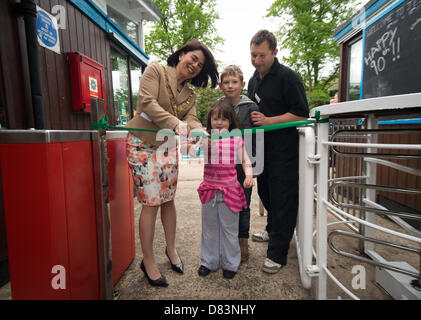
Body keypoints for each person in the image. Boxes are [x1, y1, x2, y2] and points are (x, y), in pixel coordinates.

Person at [126, 40, 218, 287]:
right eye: (193, 58)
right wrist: (176, 124)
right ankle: (148, 261)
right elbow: (147, 102)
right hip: (142, 144)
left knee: (168, 200)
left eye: (200, 65)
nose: (195, 65)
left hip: (167, 148)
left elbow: (192, 119)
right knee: (151, 202)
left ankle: (171, 249)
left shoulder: (190, 94)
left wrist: (200, 132)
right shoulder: (155, 70)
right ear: (181, 55)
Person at [247, 30, 309, 273]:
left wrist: (269, 121)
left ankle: (278, 253)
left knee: (283, 198)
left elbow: (301, 113)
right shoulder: (253, 79)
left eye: (261, 55)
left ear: (274, 52)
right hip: (261, 148)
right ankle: (272, 230)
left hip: (284, 149)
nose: (257, 60)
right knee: (266, 192)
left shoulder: (288, 77)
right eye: (253, 55)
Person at [196, 100, 254, 279]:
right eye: (215, 118)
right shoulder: (207, 138)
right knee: (209, 228)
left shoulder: (236, 139)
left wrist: (249, 175)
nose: (219, 122)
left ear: (230, 121)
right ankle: (208, 261)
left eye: (224, 118)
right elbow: (193, 149)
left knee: (230, 229)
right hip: (210, 190)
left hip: (230, 191)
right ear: (210, 121)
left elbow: (245, 160)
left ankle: (231, 263)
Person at [218, 65, 259, 262]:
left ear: (242, 84)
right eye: (226, 82)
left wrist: (255, 165)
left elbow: (256, 138)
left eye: (234, 82)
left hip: (244, 165)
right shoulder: (218, 107)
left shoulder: (250, 107)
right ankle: (226, 241)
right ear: (220, 85)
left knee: (243, 203)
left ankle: (243, 242)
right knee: (224, 203)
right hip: (224, 165)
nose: (230, 85)